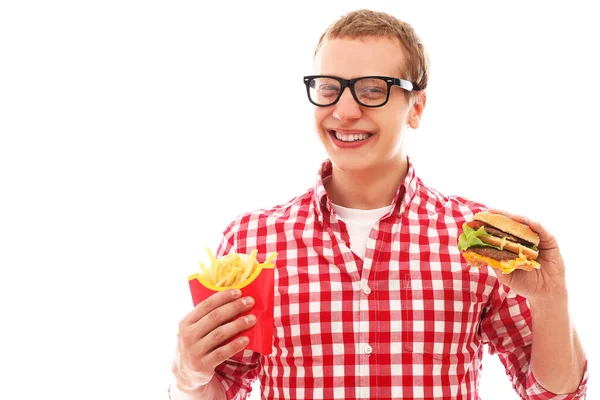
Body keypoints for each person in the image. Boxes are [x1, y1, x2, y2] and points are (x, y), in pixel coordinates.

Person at [170, 9, 588, 400]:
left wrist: (552, 301)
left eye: (372, 89)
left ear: (416, 107)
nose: (344, 111)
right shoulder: (250, 242)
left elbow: (555, 393)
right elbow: (221, 388)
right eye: (329, 88)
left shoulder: (474, 239)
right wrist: (188, 375)